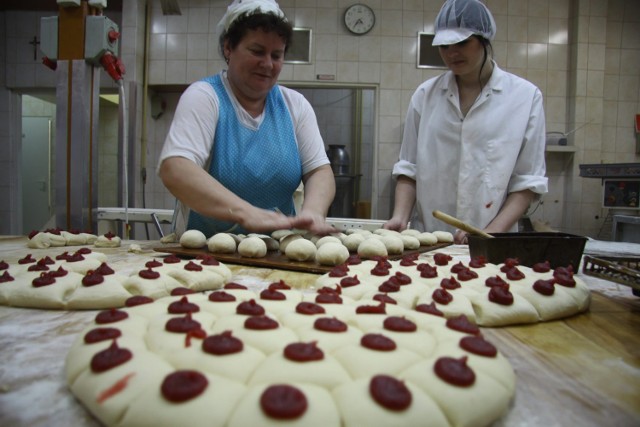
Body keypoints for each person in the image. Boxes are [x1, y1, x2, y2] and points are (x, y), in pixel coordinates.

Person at [157, 0, 336, 237]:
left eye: (277, 55)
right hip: (204, 254)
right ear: (228, 47)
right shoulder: (205, 97)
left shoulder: (295, 105)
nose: (268, 64)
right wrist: (247, 213)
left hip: (278, 255)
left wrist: (313, 212)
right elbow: (176, 168)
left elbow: (318, 171)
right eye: (257, 51)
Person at [384, 0, 548, 244]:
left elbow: (527, 182)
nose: (452, 53)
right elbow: (409, 169)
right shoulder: (425, 95)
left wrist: (489, 233)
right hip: (429, 239)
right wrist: (400, 217)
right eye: (444, 45)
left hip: (491, 241)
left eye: (462, 43)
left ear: (484, 40)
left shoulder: (524, 97)